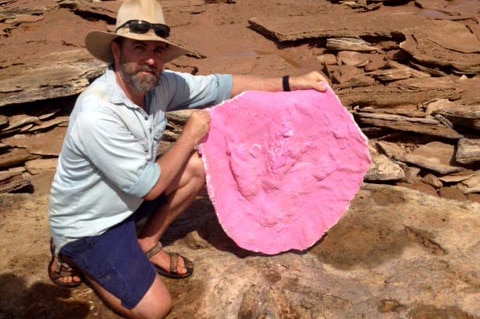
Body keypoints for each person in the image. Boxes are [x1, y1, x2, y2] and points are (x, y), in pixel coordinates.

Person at [47, 0, 328, 318]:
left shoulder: (158, 85)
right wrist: (191, 134)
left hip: (127, 201)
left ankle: (146, 242)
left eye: (158, 50)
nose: (150, 59)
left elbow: (221, 86)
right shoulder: (97, 113)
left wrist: (291, 83)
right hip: (92, 224)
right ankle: (78, 259)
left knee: (197, 165)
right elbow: (149, 189)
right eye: (139, 48)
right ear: (116, 51)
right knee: (155, 309)